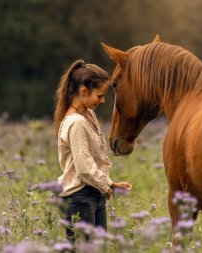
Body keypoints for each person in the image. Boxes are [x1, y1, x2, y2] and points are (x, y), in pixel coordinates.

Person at [54, 59, 132, 242]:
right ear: (83, 91)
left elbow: (92, 160)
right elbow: (83, 167)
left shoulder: (88, 114)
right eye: (100, 95)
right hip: (79, 198)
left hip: (93, 194)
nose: (103, 100)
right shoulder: (77, 122)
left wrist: (110, 184)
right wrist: (106, 185)